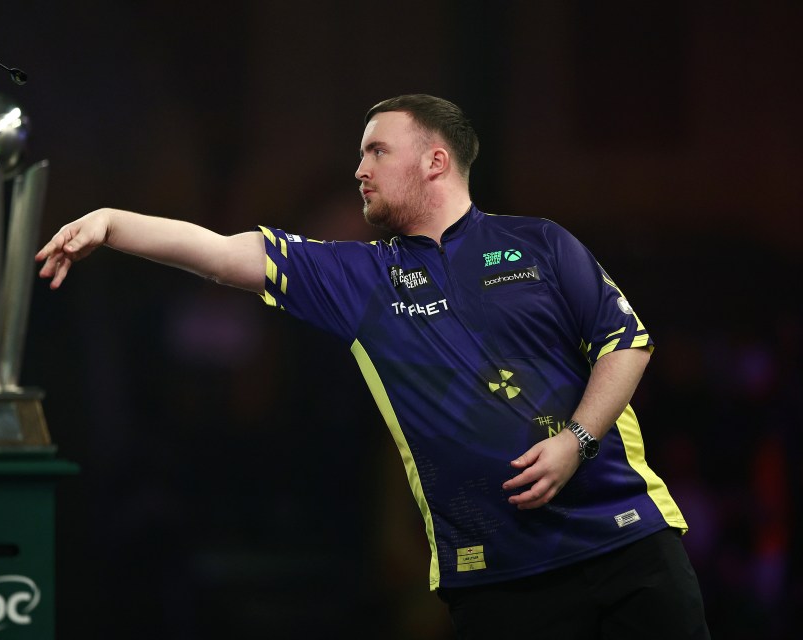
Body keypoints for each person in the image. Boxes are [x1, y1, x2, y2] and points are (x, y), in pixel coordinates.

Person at [36, 94, 710, 639]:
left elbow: (627, 342)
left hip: (629, 545)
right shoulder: (360, 278)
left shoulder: (542, 243)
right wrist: (111, 221)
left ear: (435, 160)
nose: (359, 168)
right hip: (500, 579)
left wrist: (577, 441)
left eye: (376, 151)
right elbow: (222, 253)